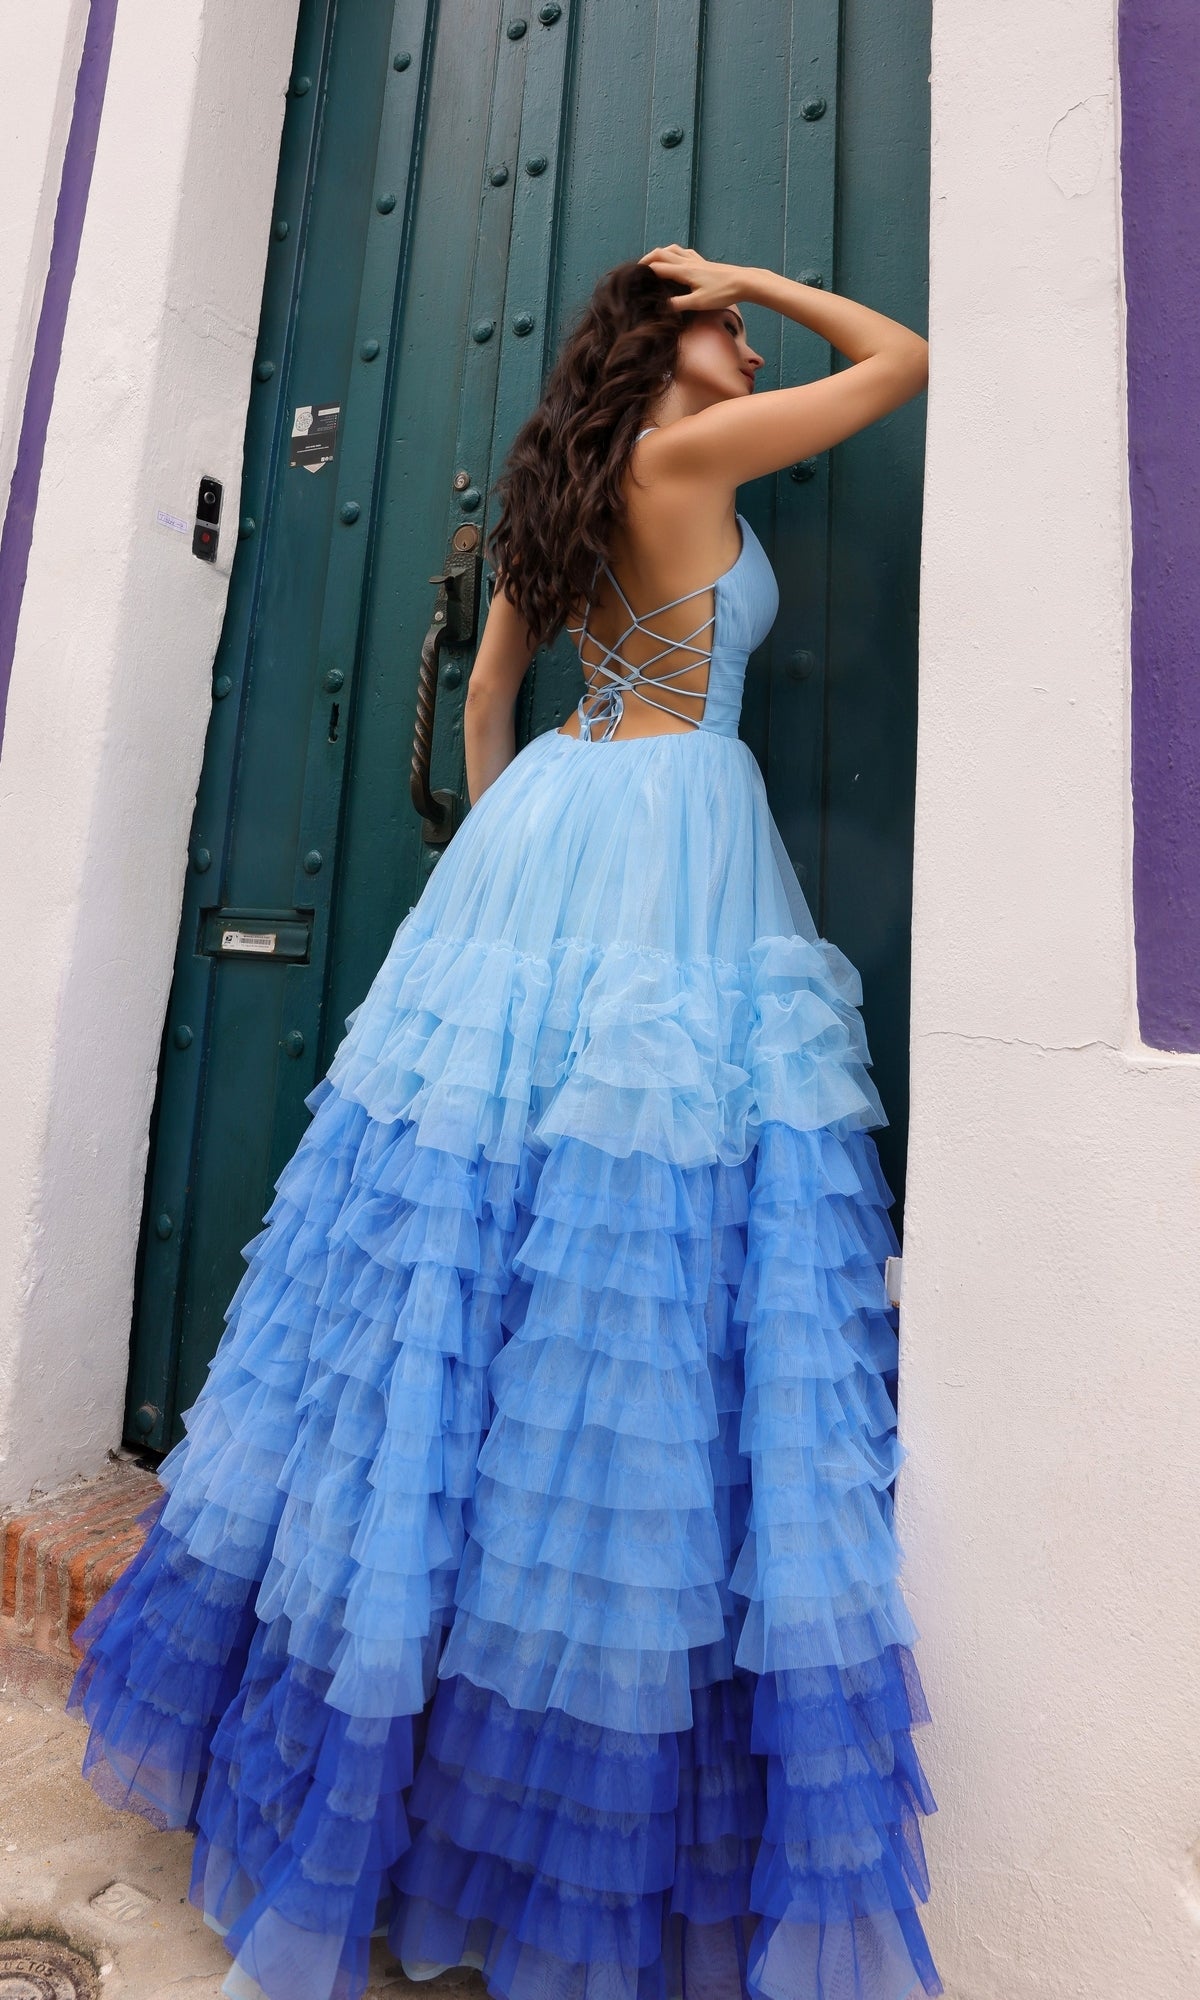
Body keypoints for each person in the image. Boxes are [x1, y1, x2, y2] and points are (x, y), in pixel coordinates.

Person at [69, 245, 939, 2000]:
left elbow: (485, 700)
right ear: (662, 344)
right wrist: (753, 262)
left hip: (551, 824)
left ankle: (369, 1722)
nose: (747, 334)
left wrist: (496, 865)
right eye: (719, 319)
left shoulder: (559, 492)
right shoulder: (691, 459)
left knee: (472, 1222)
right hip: (679, 827)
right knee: (639, 1225)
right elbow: (905, 359)